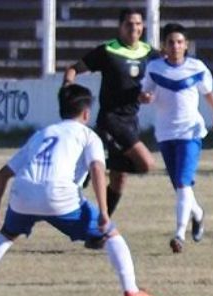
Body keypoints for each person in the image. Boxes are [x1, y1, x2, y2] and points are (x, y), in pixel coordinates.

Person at [0, 84, 158, 296]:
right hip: (59, 196)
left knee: (6, 234)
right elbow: (98, 170)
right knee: (112, 235)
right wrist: (103, 212)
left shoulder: (42, 133)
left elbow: (3, 174)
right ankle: (132, 292)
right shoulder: (88, 136)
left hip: (24, 193)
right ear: (86, 113)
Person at [62, 8, 160, 217]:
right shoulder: (108, 51)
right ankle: (93, 163)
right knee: (146, 164)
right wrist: (67, 88)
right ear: (120, 26)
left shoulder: (149, 53)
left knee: (119, 180)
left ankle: (99, 227)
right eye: (129, 24)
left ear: (143, 26)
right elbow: (73, 69)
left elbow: (161, 79)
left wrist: (151, 95)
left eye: (138, 24)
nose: (134, 28)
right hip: (111, 120)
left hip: (131, 120)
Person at [139, 23, 213, 254]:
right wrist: (145, 98)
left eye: (179, 42)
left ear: (186, 45)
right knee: (180, 187)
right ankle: (197, 214)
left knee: (183, 183)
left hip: (190, 132)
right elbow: (145, 93)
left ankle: (179, 234)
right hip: (165, 133)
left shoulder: (197, 68)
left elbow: (208, 93)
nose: (175, 46)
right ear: (164, 46)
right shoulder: (154, 68)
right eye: (171, 42)